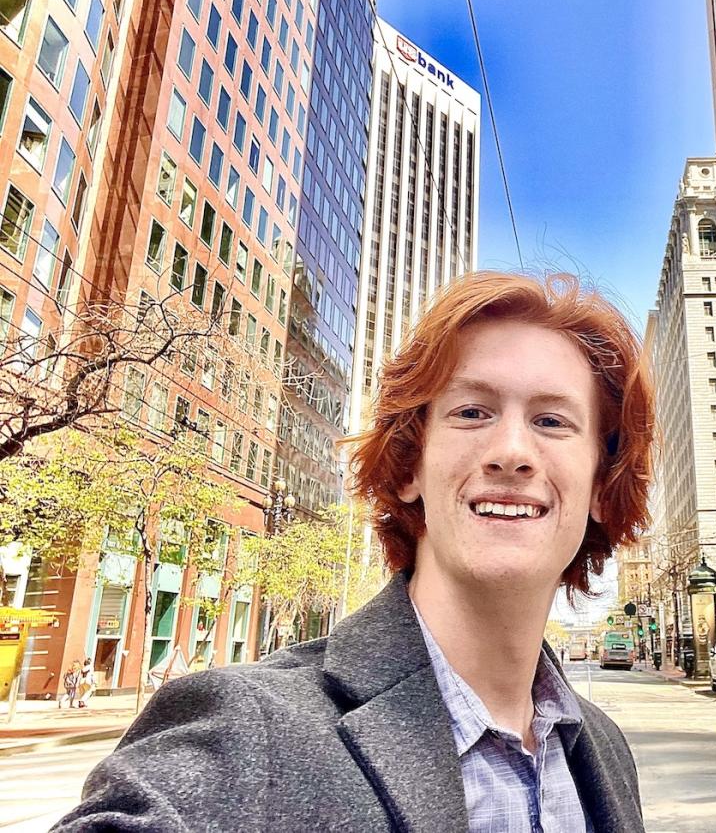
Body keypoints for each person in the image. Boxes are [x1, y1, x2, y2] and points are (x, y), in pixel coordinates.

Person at [55, 273, 654, 832]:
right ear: (409, 468)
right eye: (472, 412)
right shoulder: (245, 728)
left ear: (602, 486)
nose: (512, 451)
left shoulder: (604, 750)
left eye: (552, 421)